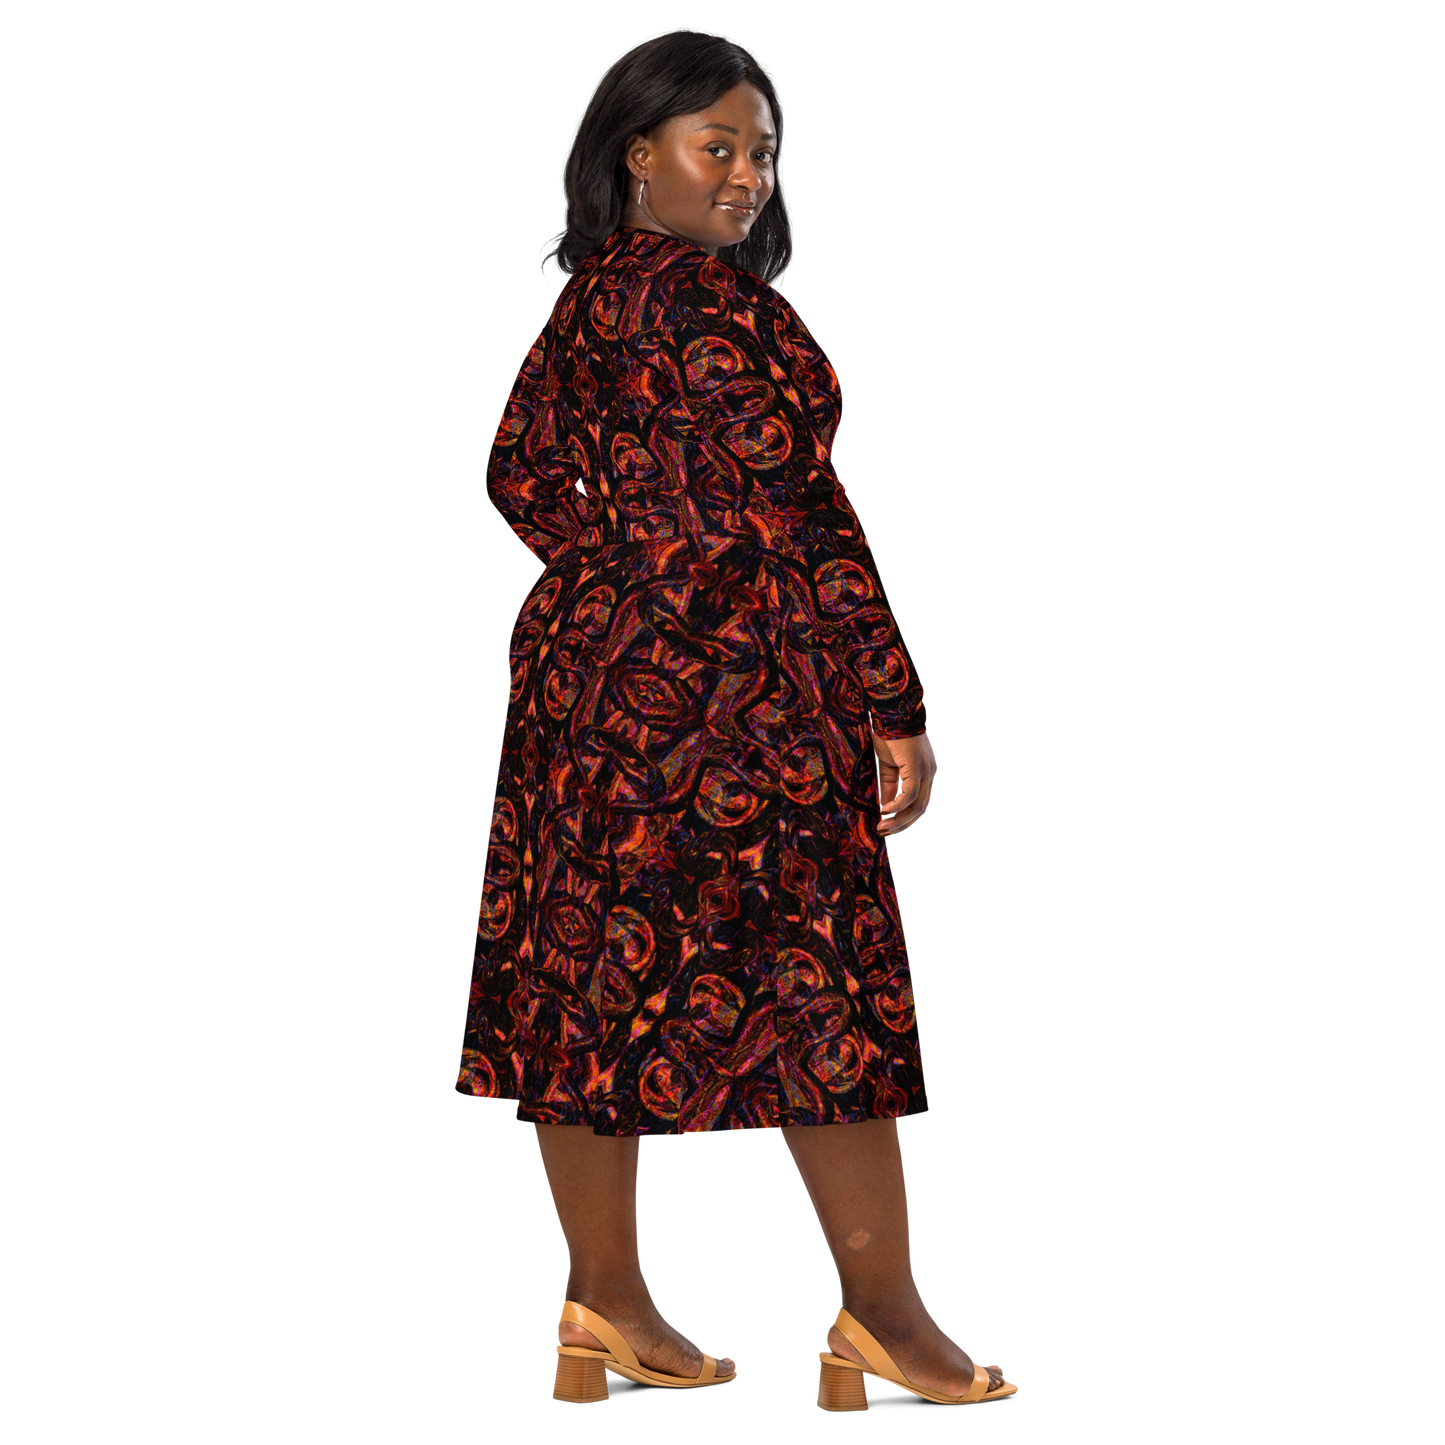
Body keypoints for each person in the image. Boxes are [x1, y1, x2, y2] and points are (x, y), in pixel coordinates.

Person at [454, 23, 1016, 1408]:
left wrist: (617, 572)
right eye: (719, 147)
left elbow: (515, 475)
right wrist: (893, 702)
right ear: (636, 155)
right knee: (826, 988)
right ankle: (884, 1319)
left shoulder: (583, 306)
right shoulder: (711, 308)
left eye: (764, 152)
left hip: (585, 686)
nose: (749, 176)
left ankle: (601, 1302)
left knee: (586, 980)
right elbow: (802, 512)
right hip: (739, 693)